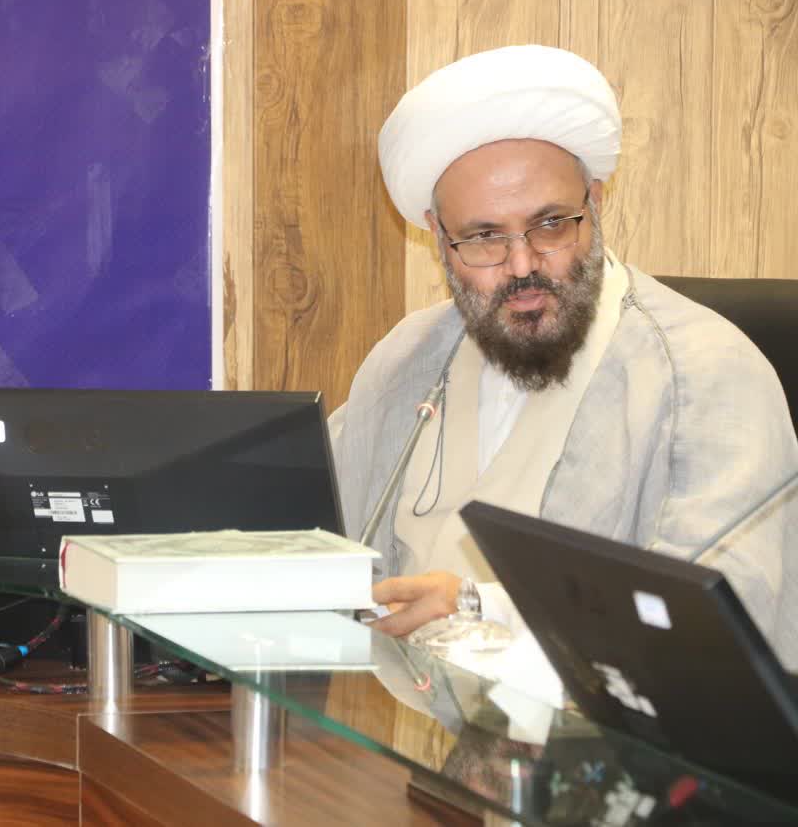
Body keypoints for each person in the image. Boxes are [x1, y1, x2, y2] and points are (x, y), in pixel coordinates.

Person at [330, 45, 798, 665]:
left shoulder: (707, 375)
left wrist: (483, 608)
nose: (523, 265)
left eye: (551, 224)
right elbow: (321, 539)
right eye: (484, 236)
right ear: (439, 236)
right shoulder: (406, 360)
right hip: (412, 714)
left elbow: (711, 632)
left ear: (595, 203)